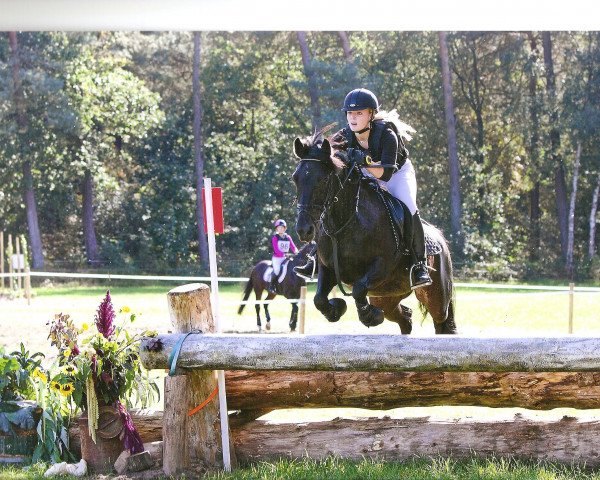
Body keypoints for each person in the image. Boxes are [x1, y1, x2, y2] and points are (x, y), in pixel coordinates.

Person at [295, 88, 432, 290]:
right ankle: (317, 255)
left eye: (359, 113)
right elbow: (325, 157)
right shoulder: (344, 135)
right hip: (368, 173)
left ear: (371, 114)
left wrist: (365, 162)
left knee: (409, 206)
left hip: (396, 173)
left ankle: (420, 265)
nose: (353, 118)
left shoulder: (386, 134)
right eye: (350, 113)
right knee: (334, 199)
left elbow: (385, 175)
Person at [268, 219, 298, 294]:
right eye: (279, 227)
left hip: (286, 258)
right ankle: (271, 286)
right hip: (277, 258)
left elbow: (293, 247)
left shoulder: (288, 237)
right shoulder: (275, 237)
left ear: (285, 228)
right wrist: (284, 254)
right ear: (277, 229)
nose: (281, 229)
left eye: (282, 227)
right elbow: (276, 250)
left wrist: (297, 252)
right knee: (277, 270)